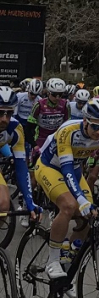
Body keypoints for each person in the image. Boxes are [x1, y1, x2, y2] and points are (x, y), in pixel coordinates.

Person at [34, 99, 99, 291]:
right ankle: (53, 260)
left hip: (73, 169)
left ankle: (68, 262)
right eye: (94, 126)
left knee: (91, 214)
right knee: (69, 206)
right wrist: (80, 200)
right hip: (50, 167)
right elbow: (65, 168)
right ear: (85, 121)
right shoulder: (68, 130)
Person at [0, 87, 40, 226]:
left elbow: (22, 168)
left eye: (9, 113)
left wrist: (29, 202)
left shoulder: (15, 129)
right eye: (0, 113)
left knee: (3, 205)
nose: (4, 119)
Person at [29, 77, 69, 158]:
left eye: (60, 95)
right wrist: (34, 145)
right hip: (41, 138)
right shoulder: (39, 105)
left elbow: (67, 125)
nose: (57, 98)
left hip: (56, 138)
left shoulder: (65, 105)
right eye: (54, 95)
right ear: (48, 93)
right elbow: (29, 128)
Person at [15, 79, 41, 155]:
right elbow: (15, 111)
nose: (33, 96)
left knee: (28, 143)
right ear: (28, 90)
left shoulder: (39, 100)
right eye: (31, 93)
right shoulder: (20, 96)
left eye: (35, 95)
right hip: (19, 119)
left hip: (31, 123)